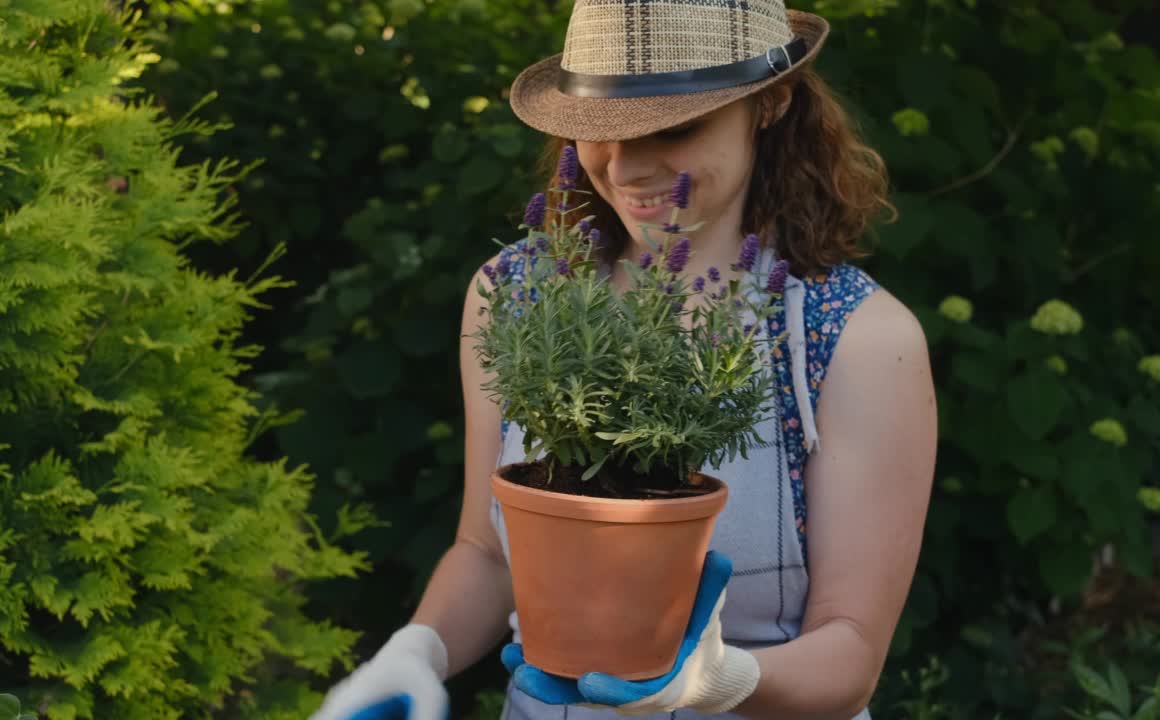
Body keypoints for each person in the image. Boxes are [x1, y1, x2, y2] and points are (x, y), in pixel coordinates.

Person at [312, 1, 937, 719]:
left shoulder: (851, 336)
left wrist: (718, 680)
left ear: (771, 103)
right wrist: (419, 651)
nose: (629, 166)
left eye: (673, 127)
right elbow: (488, 554)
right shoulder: (516, 297)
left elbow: (851, 651)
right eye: (601, 132)